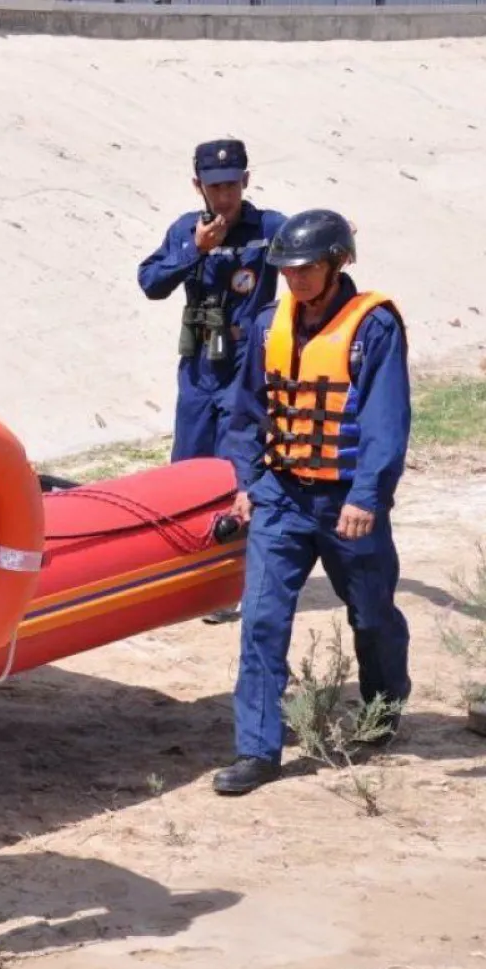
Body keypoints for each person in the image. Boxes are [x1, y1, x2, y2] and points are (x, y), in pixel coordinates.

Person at [214, 209, 411, 796]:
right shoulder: (270, 323)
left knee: (372, 614)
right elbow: (246, 411)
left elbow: (386, 419)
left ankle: (381, 708)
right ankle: (257, 750)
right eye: (288, 269)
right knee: (263, 620)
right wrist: (248, 483)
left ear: (336, 264)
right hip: (281, 495)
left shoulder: (373, 327)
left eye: (306, 268)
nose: (295, 279)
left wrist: (368, 495)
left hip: (349, 502)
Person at [137, 138, 286, 624]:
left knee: (236, 465)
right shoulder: (187, 228)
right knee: (188, 463)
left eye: (231, 184)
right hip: (201, 359)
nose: (224, 196)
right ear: (198, 185)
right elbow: (150, 283)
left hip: (246, 362)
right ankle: (181, 569)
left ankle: (230, 579)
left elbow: (311, 243)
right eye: (214, 186)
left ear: (246, 180)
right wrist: (194, 252)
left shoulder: (268, 228)